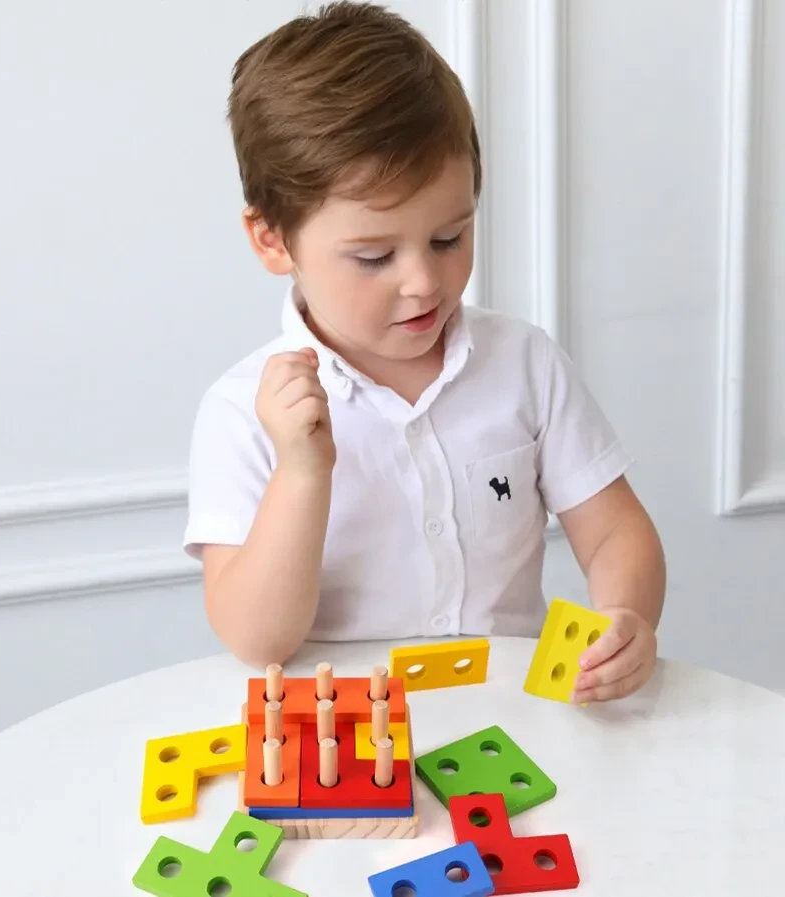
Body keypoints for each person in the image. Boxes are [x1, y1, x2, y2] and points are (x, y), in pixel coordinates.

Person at [183, 2, 666, 704]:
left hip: (517, 723)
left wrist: (625, 615)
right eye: (374, 256)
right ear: (272, 240)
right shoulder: (241, 411)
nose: (424, 282)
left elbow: (617, 530)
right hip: (341, 745)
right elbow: (258, 639)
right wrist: (302, 471)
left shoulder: (524, 364)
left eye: (449, 239)